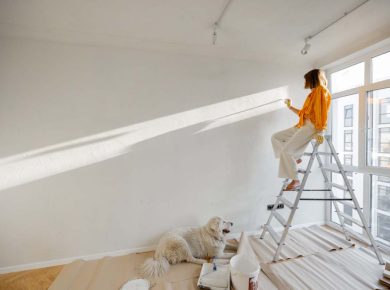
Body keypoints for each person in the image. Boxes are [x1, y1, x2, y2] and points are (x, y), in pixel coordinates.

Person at [271, 69, 331, 190]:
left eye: (306, 79)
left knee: (286, 152)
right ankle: (294, 159)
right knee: (275, 137)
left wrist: (321, 131)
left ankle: (295, 181)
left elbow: (322, 113)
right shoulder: (313, 93)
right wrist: (290, 107)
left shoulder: (320, 91)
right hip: (303, 124)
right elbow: (303, 114)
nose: (305, 82)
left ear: (312, 79)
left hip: (311, 127)